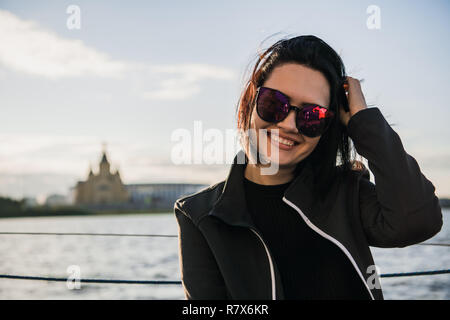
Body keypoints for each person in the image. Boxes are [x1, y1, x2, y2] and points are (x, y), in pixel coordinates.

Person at [173, 35, 443, 300]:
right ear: (251, 100)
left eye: (312, 116)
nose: (289, 125)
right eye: (274, 103)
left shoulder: (345, 193)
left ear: (329, 126)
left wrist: (363, 121)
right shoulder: (199, 216)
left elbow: (418, 222)